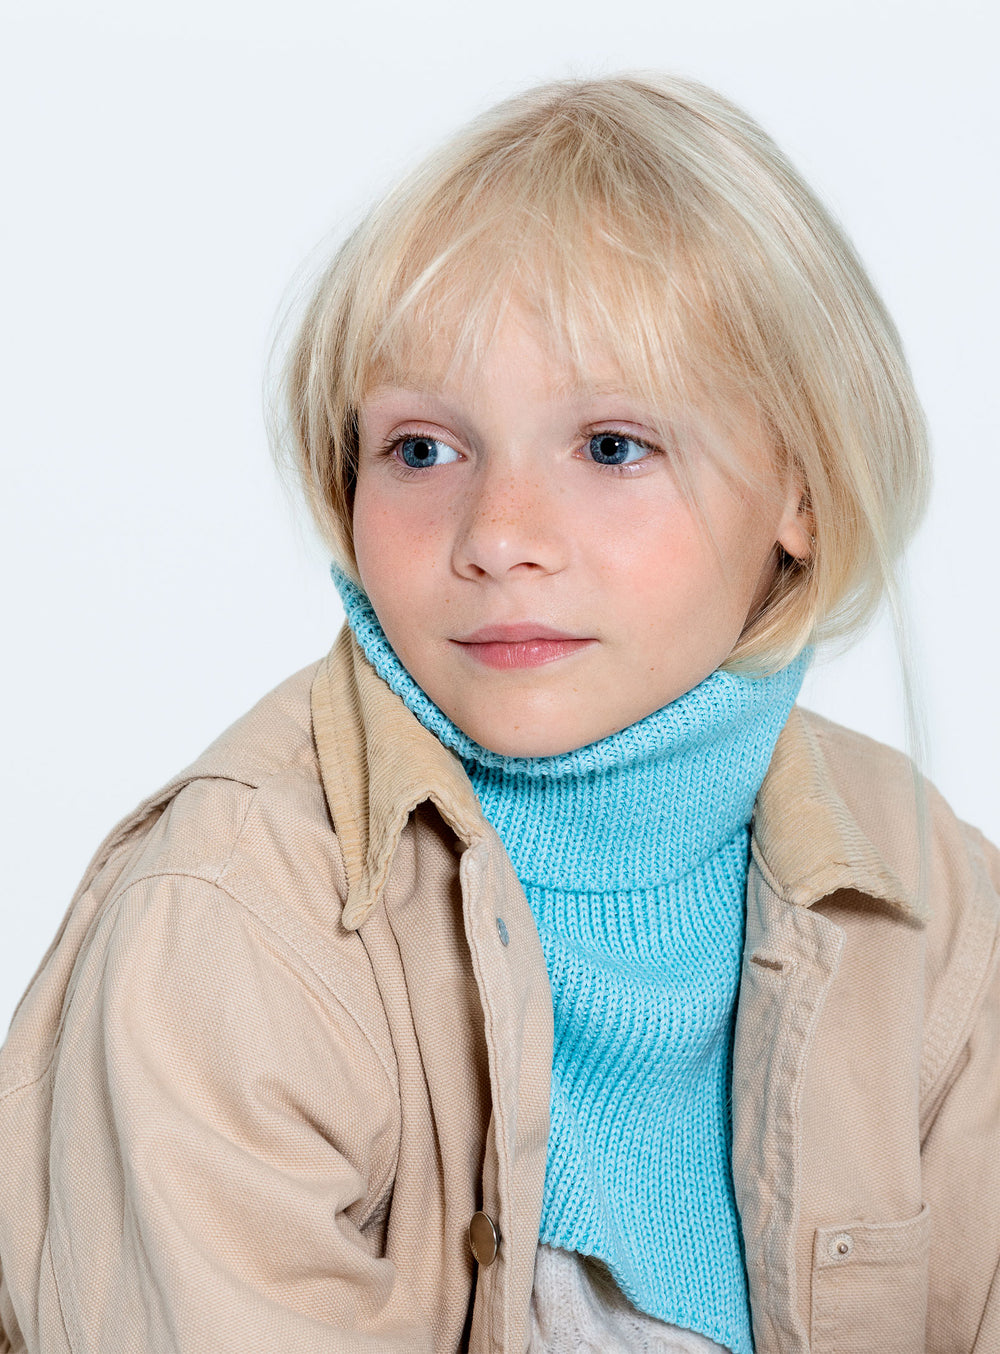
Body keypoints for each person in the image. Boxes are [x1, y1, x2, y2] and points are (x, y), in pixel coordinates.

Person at [0, 73, 997, 1354]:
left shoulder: (923, 894)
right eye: (423, 449)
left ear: (799, 486)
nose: (499, 536)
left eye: (612, 445)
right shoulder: (233, 920)